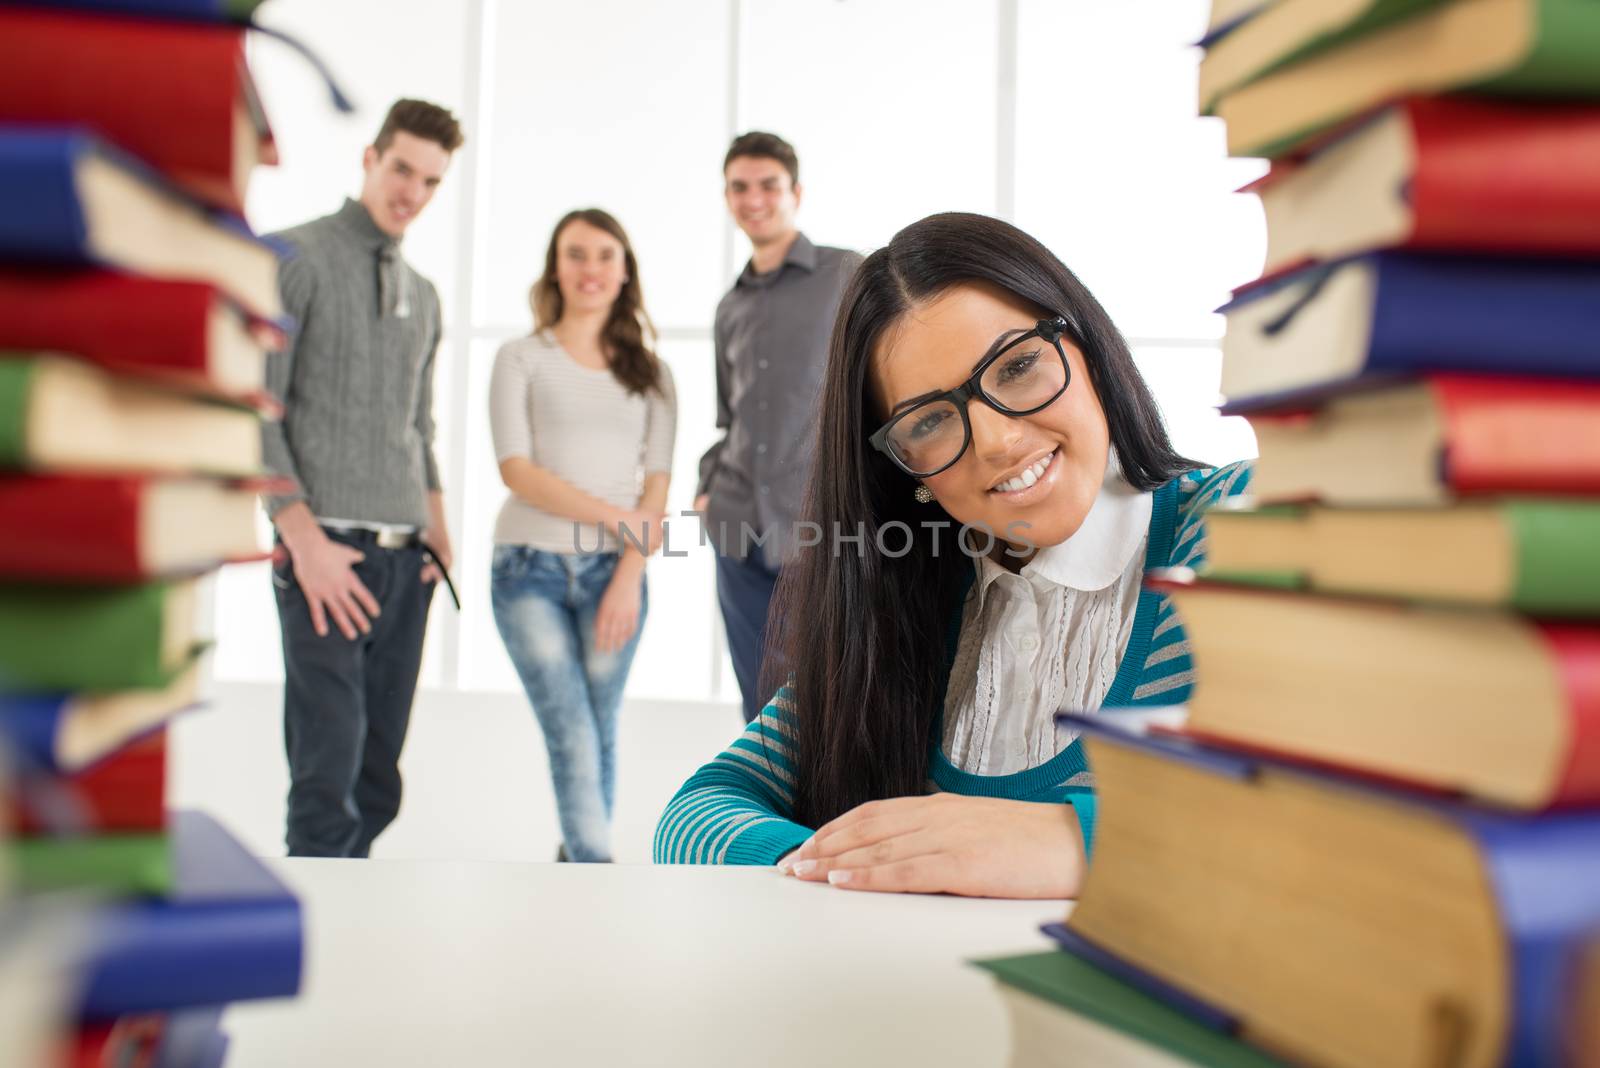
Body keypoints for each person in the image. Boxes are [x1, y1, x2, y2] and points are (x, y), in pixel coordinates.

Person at [654, 213, 1252, 898]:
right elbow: (693, 818)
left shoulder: (1244, 527)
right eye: (931, 421)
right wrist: (887, 864)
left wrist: (1068, 842)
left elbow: (1360, 809)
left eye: (1019, 365)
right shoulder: (916, 604)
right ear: (907, 471)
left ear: (1086, 345)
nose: (996, 441)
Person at [263, 98, 464, 858]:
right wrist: (301, 536)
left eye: (431, 180)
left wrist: (437, 525)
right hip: (325, 552)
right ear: (370, 160)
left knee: (378, 778)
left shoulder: (428, 295)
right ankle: (313, 952)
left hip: (405, 555)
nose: (411, 190)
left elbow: (419, 423)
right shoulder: (294, 258)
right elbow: (256, 410)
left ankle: (348, 927)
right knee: (327, 774)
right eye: (402, 168)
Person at [489, 209, 676, 863]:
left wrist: (630, 573)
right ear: (555, 267)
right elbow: (517, 470)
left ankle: (574, 865)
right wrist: (617, 519)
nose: (590, 268)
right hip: (526, 569)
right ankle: (596, 874)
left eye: (604, 255)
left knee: (599, 727)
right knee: (570, 730)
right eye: (575, 254)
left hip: (612, 576)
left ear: (624, 270)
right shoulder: (520, 358)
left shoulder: (651, 374)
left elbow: (657, 487)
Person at [694, 131, 863, 724]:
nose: (753, 198)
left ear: (796, 192)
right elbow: (728, 417)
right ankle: (770, 819)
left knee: (827, 702)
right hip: (738, 531)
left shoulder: (847, 274)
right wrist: (708, 486)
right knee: (758, 707)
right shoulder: (729, 306)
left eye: (768, 184)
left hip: (819, 532)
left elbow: (882, 390)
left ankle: (830, 820)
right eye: (739, 187)